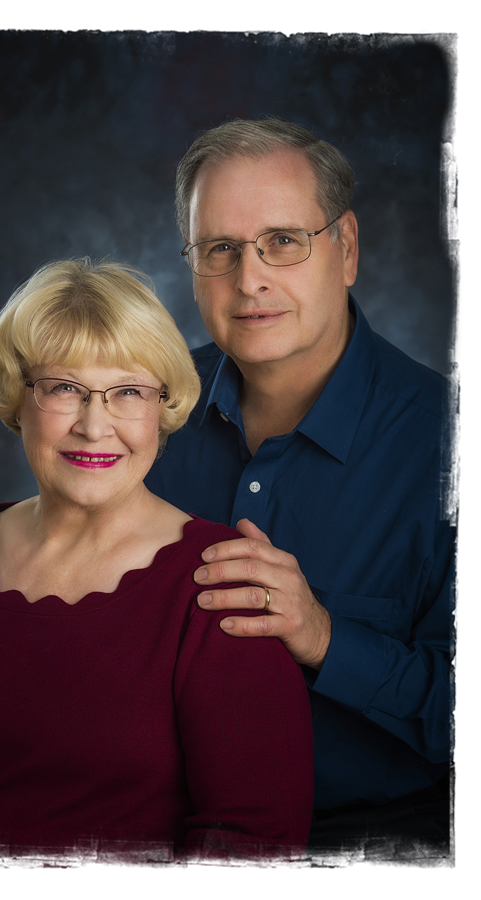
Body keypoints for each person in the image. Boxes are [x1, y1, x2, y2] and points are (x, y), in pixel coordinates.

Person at [0, 258, 314, 864]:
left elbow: (251, 843)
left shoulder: (220, 583)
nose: (94, 426)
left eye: (128, 391)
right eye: (64, 388)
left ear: (162, 406)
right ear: (17, 397)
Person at [145, 119, 454, 855]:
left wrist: (322, 637)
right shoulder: (140, 413)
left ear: (345, 249)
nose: (248, 279)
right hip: (156, 843)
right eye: (220, 249)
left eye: (283, 241)